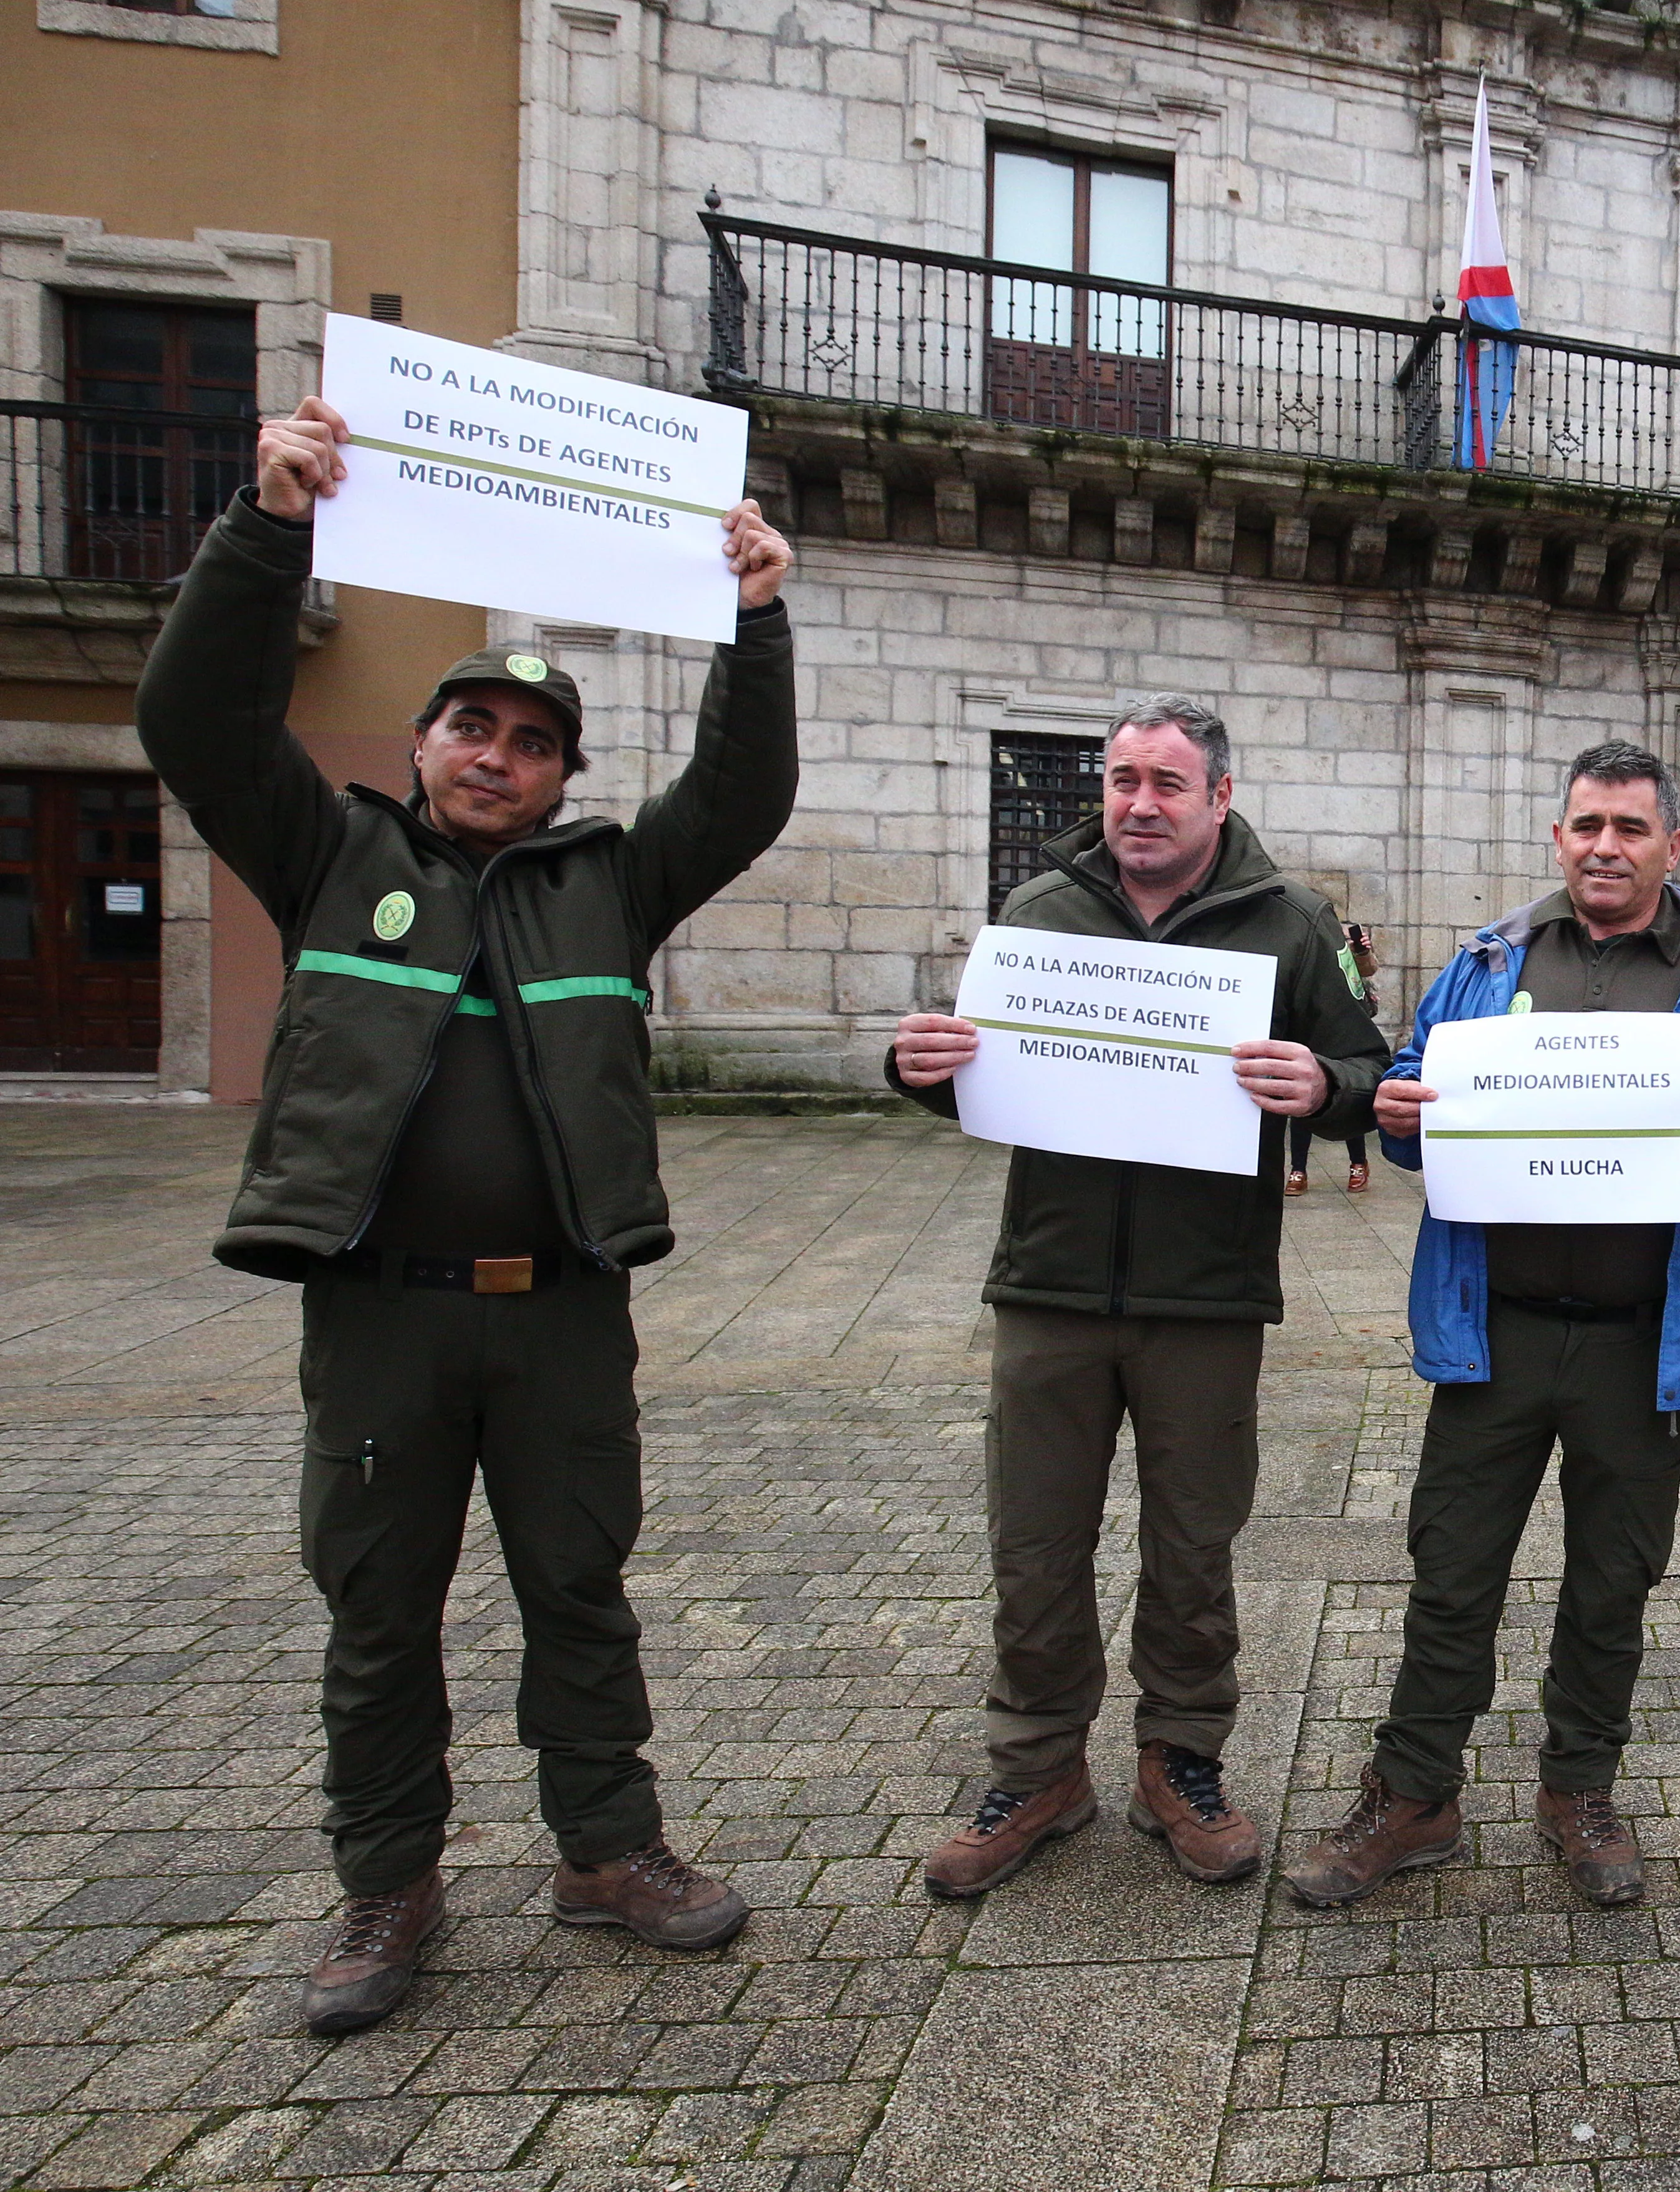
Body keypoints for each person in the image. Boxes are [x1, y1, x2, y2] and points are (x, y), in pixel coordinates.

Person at [135, 396, 799, 2037]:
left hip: (564, 1306)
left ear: (564, 769)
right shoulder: (322, 849)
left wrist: (757, 615)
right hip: (379, 1311)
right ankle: (389, 1881)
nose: (495, 755)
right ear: (425, 741)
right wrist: (268, 524)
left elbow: (740, 791)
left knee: (580, 1582)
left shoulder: (608, 884)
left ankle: (607, 1846)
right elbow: (195, 718)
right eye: (470, 728)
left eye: (530, 738)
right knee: (378, 1603)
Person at [1282, 743, 1680, 1910]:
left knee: (1611, 1583)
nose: (1604, 847)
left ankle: (1578, 1788)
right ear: (1558, 835)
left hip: (1646, 1335)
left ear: (1670, 847)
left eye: (1630, 828)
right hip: (1498, 1328)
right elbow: (1412, 1110)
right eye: (1586, 824)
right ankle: (1415, 1793)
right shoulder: (1488, 962)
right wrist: (1395, 1110)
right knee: (1452, 1572)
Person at [889, 696, 1389, 1900]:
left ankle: (1183, 1762)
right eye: (1121, 781)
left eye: (1166, 784)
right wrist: (919, 1073)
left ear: (1219, 796)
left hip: (1206, 1300)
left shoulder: (1292, 924)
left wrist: (1321, 1079)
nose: (1138, 804)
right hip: (1048, 1286)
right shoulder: (1038, 912)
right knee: (1034, 1546)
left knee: (1192, 1548)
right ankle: (1039, 1770)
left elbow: (1372, 1069)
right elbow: (982, 1078)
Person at [1288, 920, 1385, 1195]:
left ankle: (1358, 1164)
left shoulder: (1344, 939)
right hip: (1310, 1023)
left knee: (1348, 1092)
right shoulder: (1303, 938)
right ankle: (1298, 1169)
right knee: (1301, 1093)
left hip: (1346, 1026)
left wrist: (1362, 952)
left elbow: (1368, 970)